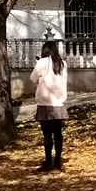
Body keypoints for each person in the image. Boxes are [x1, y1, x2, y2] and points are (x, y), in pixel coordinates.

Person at [30, 39, 68, 172]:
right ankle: (57, 161)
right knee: (58, 134)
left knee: (47, 134)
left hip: (44, 103)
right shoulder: (62, 64)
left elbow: (32, 79)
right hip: (59, 103)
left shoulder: (42, 63)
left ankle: (48, 161)